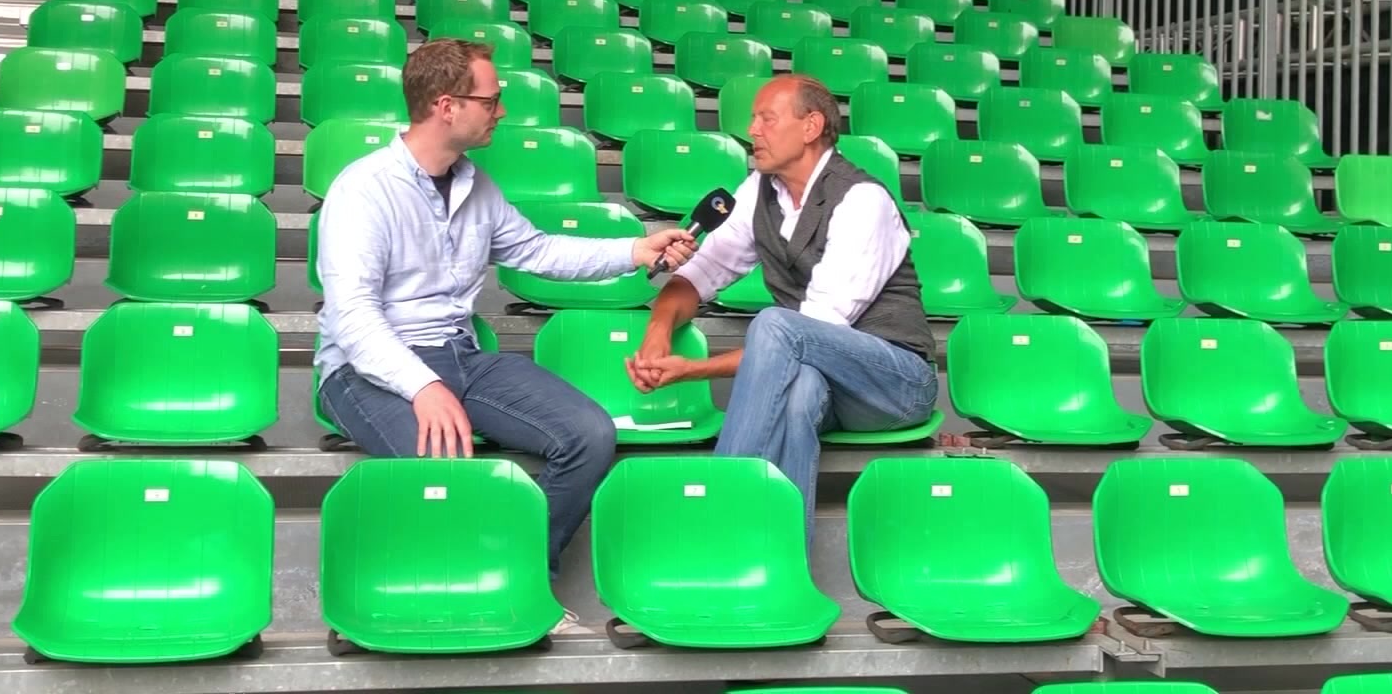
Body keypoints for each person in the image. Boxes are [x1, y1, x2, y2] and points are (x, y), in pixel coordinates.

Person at [314, 38, 697, 593]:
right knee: (449, 476)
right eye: (491, 100)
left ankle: (519, 574)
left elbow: (537, 251)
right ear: (447, 106)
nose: (502, 111)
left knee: (589, 435)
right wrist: (423, 386)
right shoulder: (364, 190)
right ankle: (472, 590)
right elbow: (353, 317)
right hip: (365, 372)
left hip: (460, 356)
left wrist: (635, 250)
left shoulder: (477, 185)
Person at [627, 74, 937, 526]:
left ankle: (718, 512)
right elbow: (701, 273)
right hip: (828, 382)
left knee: (775, 323)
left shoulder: (861, 199)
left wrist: (692, 369)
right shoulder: (758, 190)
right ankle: (781, 554)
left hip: (897, 382)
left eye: (766, 119)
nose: (752, 130)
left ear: (811, 126)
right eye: (753, 119)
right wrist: (658, 333)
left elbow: (814, 328)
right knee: (799, 394)